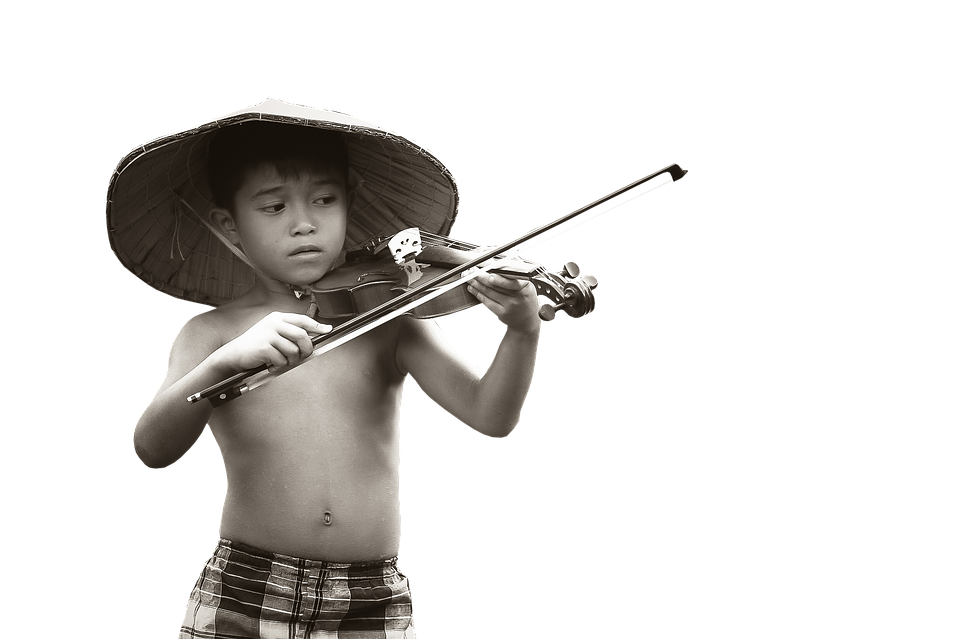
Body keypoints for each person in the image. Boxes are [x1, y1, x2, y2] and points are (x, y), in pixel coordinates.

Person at [109, 97, 542, 638]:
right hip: (246, 586)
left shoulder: (389, 313)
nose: (304, 224)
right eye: (274, 207)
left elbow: (491, 416)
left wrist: (523, 331)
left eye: (324, 199)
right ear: (229, 223)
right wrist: (225, 364)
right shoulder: (212, 333)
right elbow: (150, 448)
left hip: (371, 597)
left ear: (349, 204)